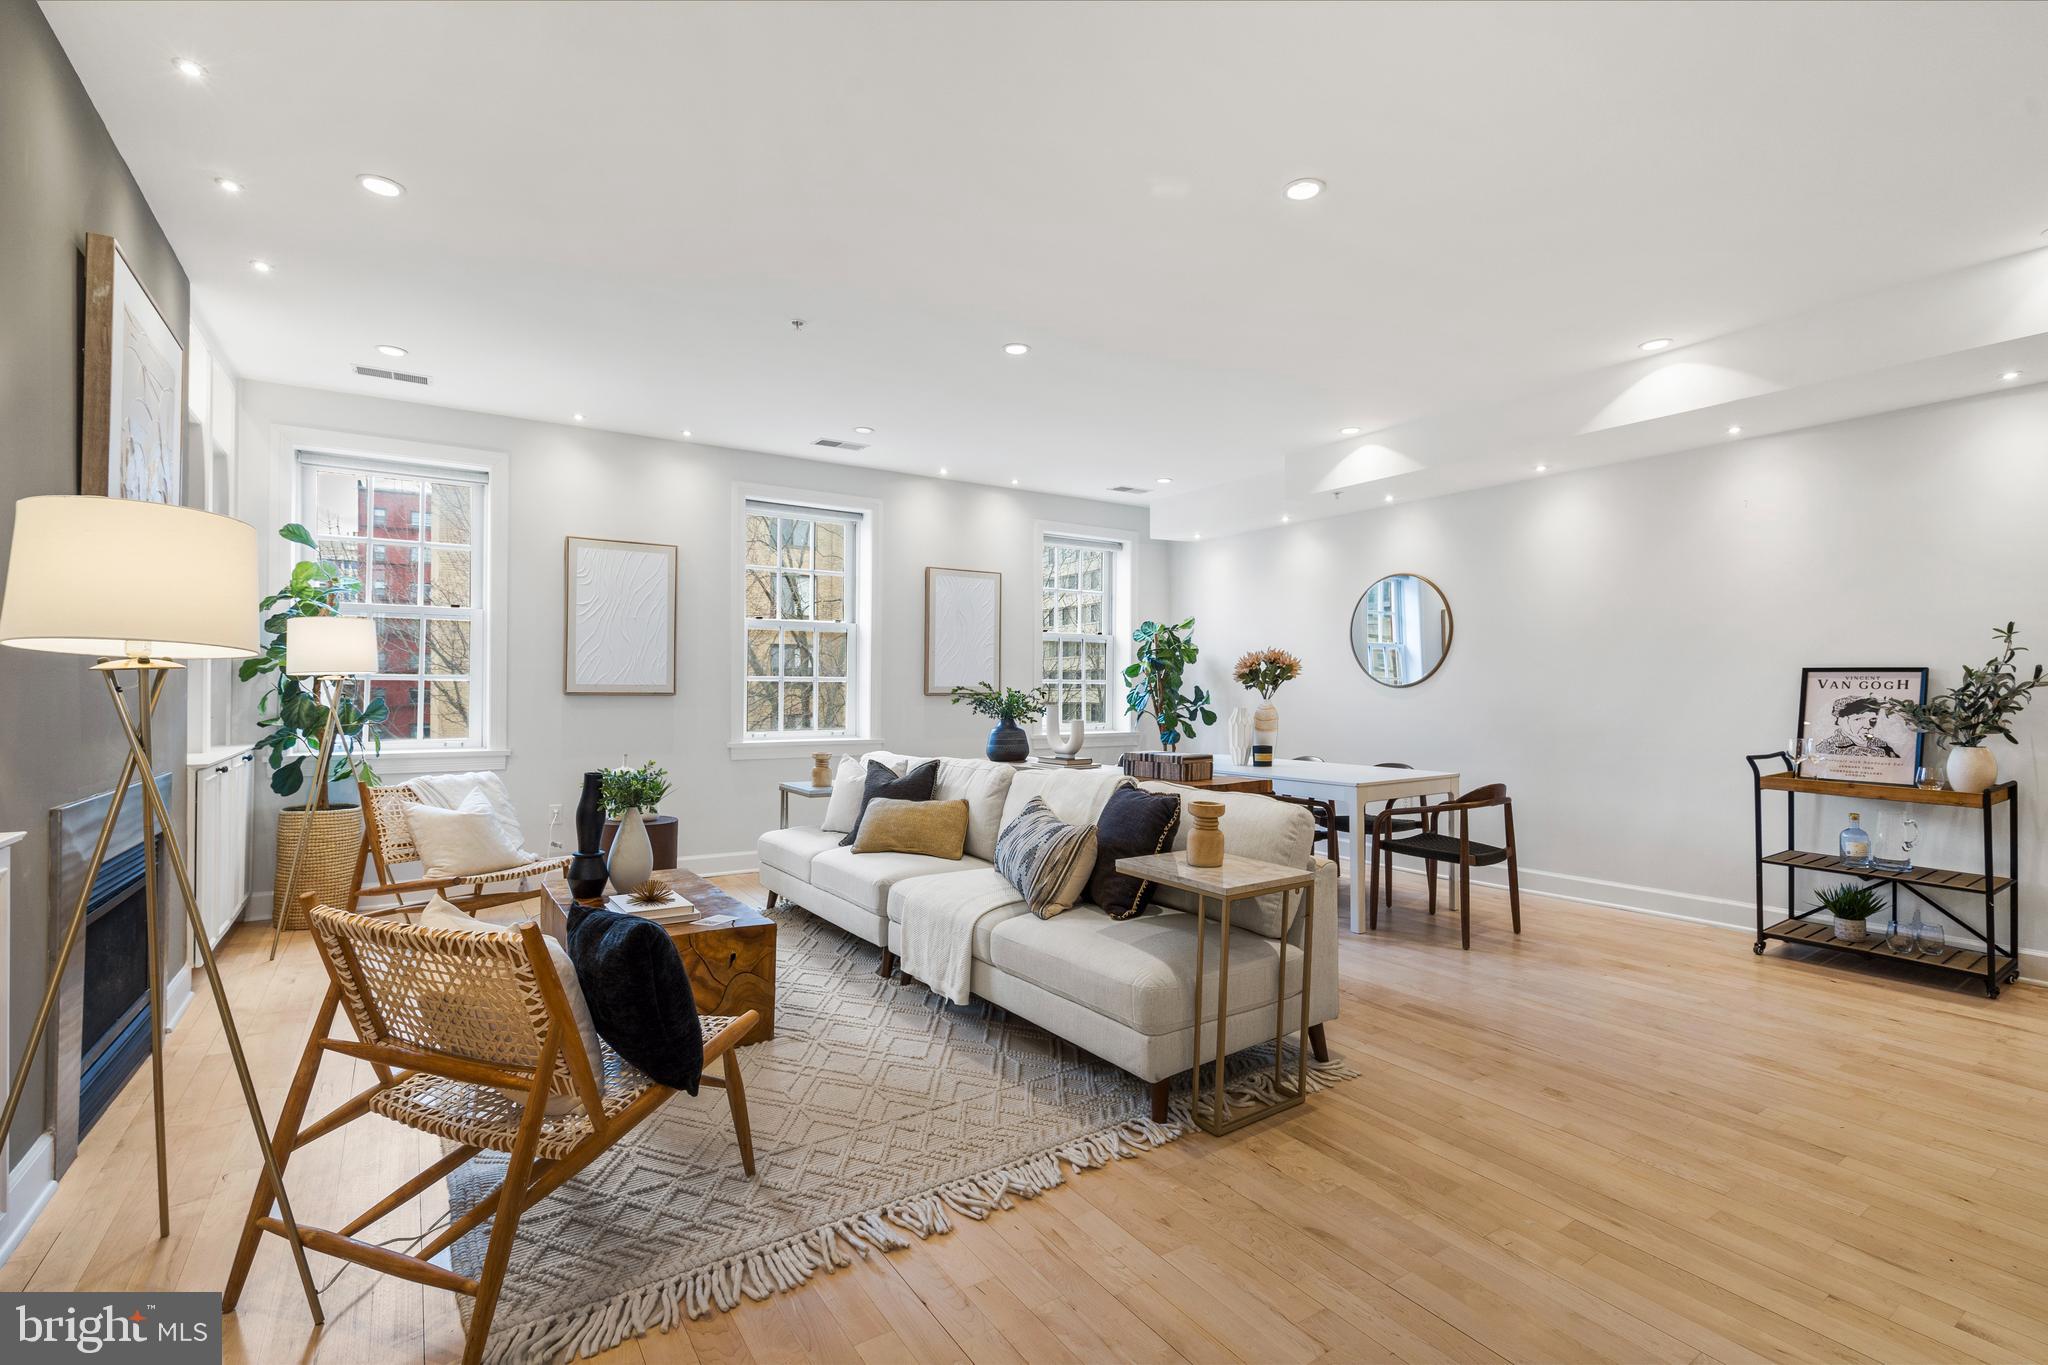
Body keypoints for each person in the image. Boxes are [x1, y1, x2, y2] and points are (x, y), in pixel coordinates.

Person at [1812, 695, 1899, 757]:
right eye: (1859, 719)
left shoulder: (1883, 746)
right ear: (1841, 720)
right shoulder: (1826, 748)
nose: (1868, 726)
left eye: (1873, 719)